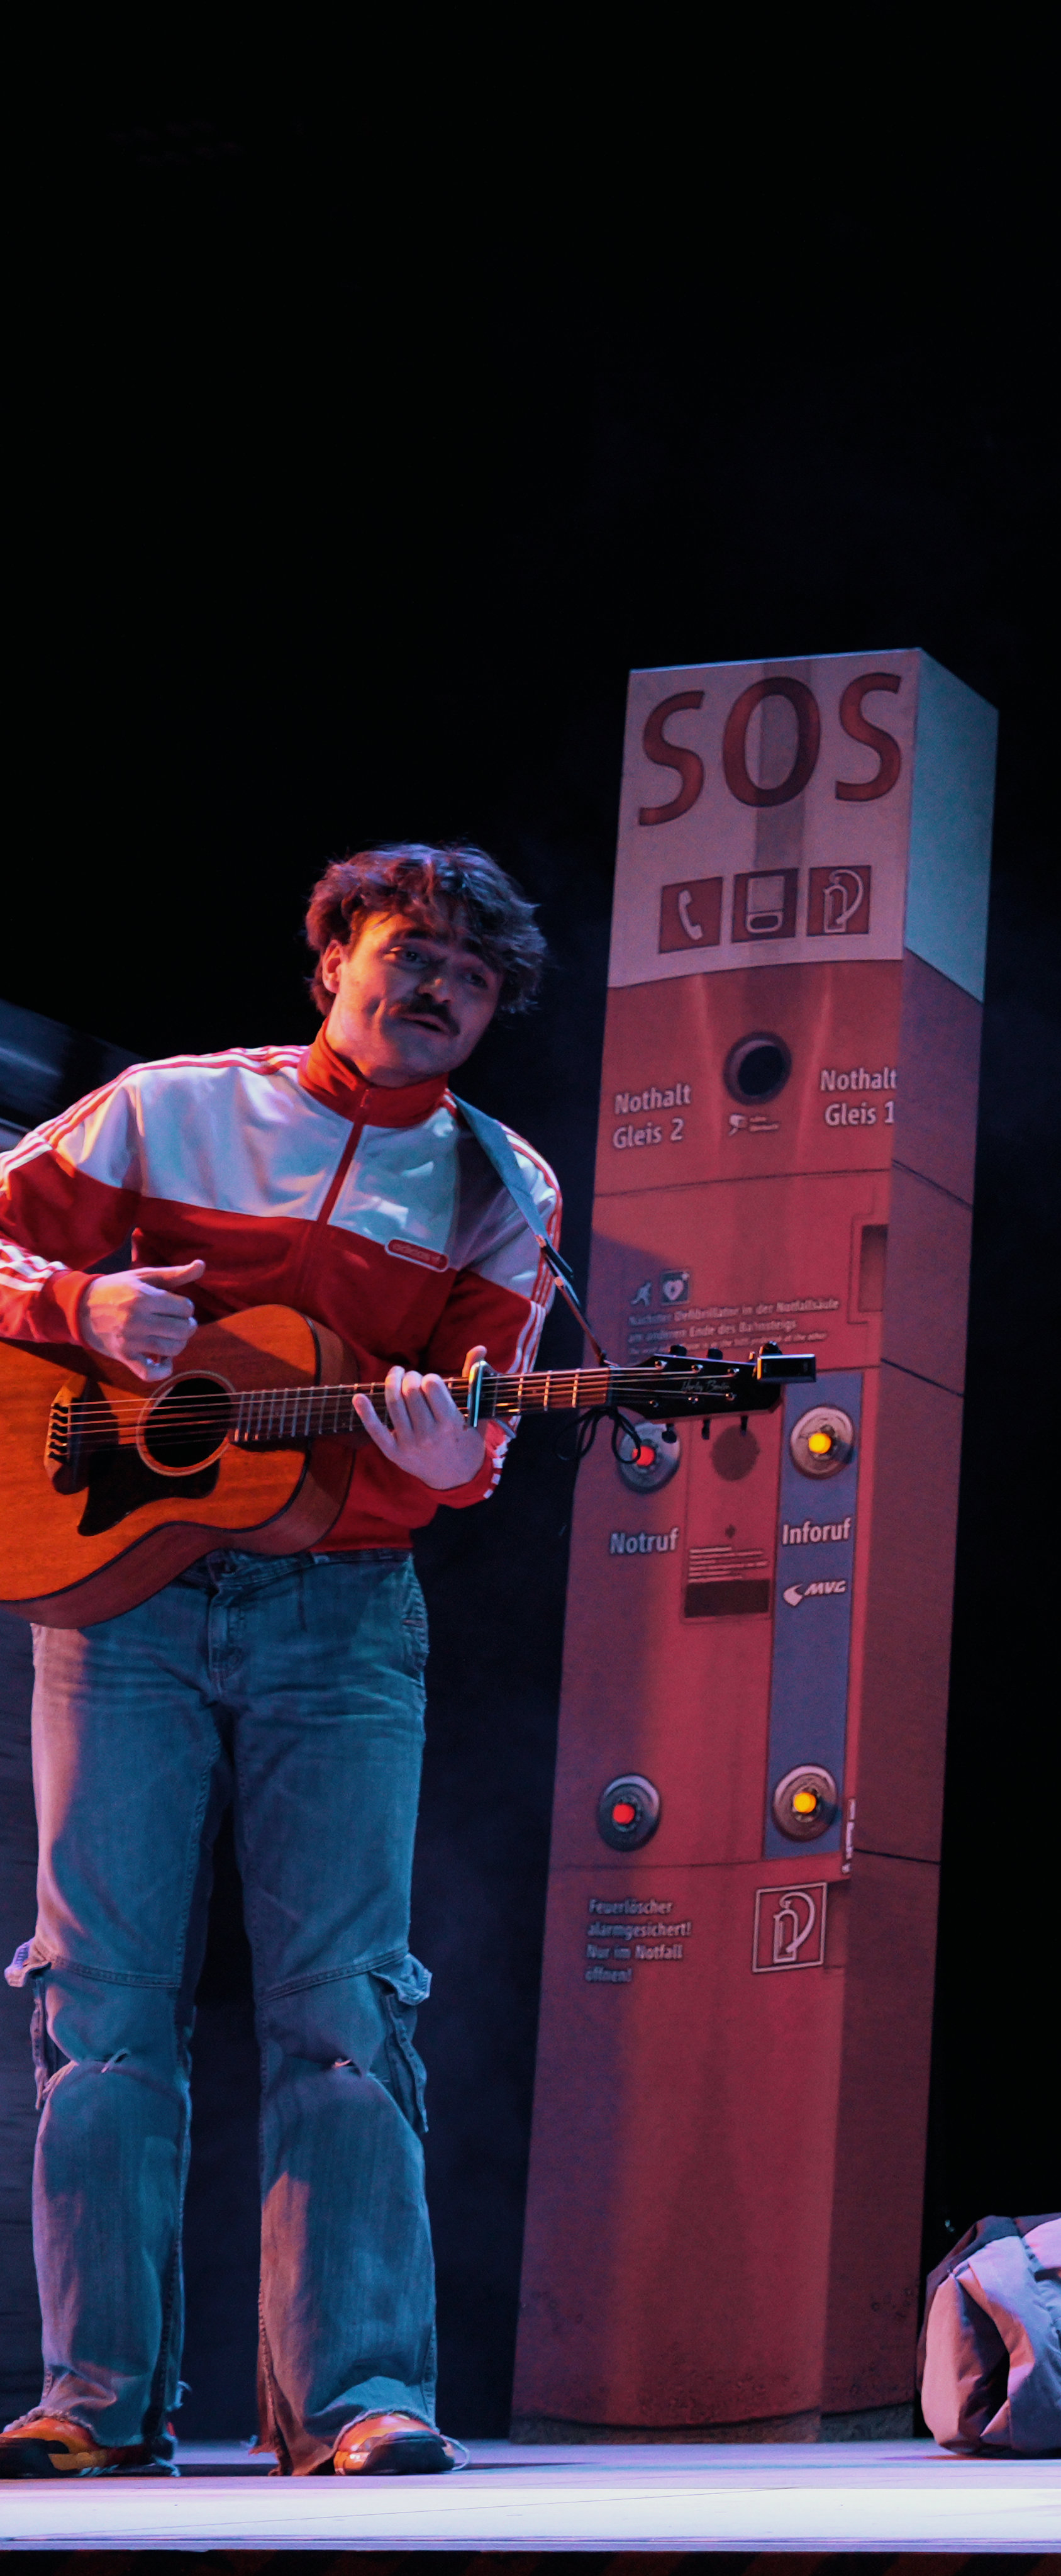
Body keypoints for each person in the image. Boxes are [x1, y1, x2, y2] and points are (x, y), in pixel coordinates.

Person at [0, 844, 567, 2479]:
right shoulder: (163, 1110)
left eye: (475, 974)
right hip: (117, 1597)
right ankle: (97, 2398)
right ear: (333, 960)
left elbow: (476, 1452)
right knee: (101, 2001)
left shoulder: (499, 1187)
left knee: (346, 2005)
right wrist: (81, 1302)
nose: (440, 984)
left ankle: (358, 2397)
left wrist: (447, 1448)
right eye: (413, 950)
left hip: (344, 1607)